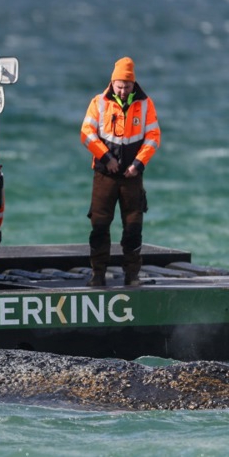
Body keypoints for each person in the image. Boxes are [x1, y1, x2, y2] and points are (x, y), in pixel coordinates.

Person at [80, 57, 161, 287]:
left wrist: (138, 164)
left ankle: (132, 275)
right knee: (99, 225)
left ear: (134, 84)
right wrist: (106, 158)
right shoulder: (99, 102)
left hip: (132, 178)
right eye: (119, 86)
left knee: (134, 227)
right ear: (112, 83)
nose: (123, 91)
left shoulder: (146, 104)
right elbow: (86, 133)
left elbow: (154, 137)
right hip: (105, 175)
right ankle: (97, 274)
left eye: (127, 86)